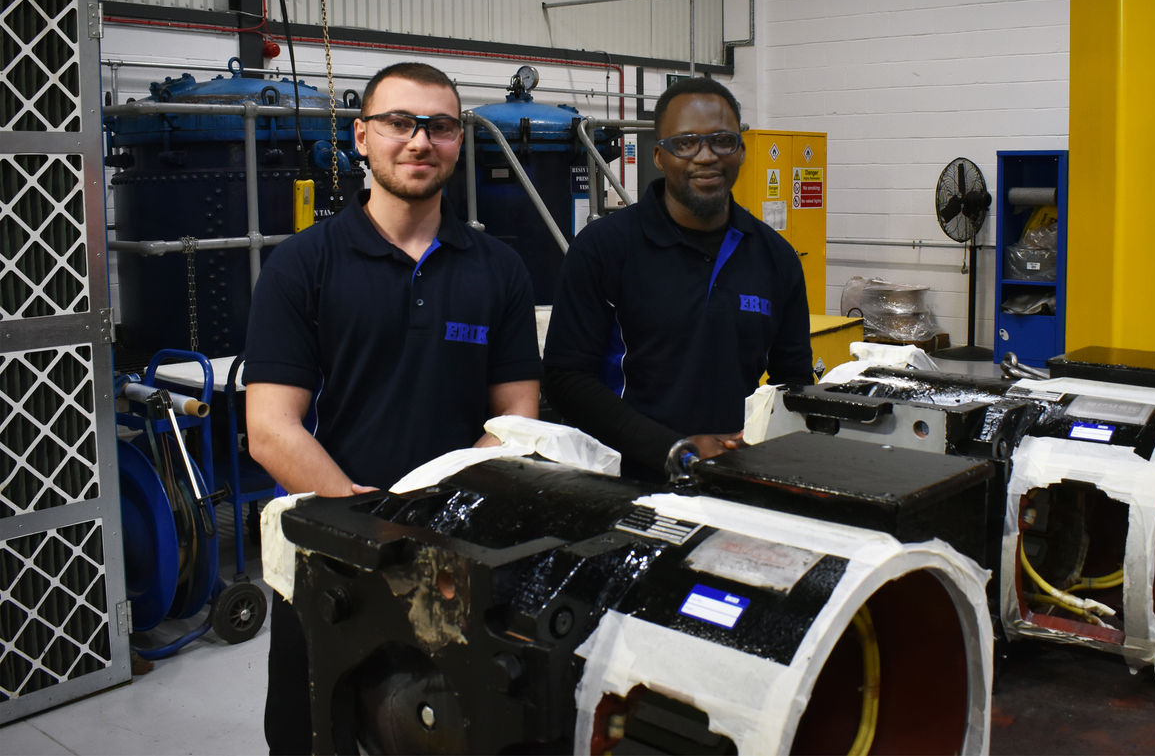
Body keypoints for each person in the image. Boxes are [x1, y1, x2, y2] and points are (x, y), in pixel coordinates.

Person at [242, 61, 541, 754]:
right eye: (399, 122)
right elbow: (270, 428)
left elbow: (517, 417)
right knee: (312, 731)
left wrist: (433, 524)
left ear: (458, 141)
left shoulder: (499, 270)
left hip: (459, 552)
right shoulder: (303, 265)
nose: (420, 141)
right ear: (361, 137)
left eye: (440, 126)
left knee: (456, 729)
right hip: (329, 552)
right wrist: (368, 523)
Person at [542, 76, 813, 481]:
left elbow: (793, 381)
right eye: (685, 143)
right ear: (660, 155)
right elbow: (565, 380)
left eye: (722, 140)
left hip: (734, 476)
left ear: (741, 150)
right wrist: (672, 450)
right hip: (624, 481)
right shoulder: (605, 248)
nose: (706, 156)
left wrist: (759, 440)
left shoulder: (777, 258)